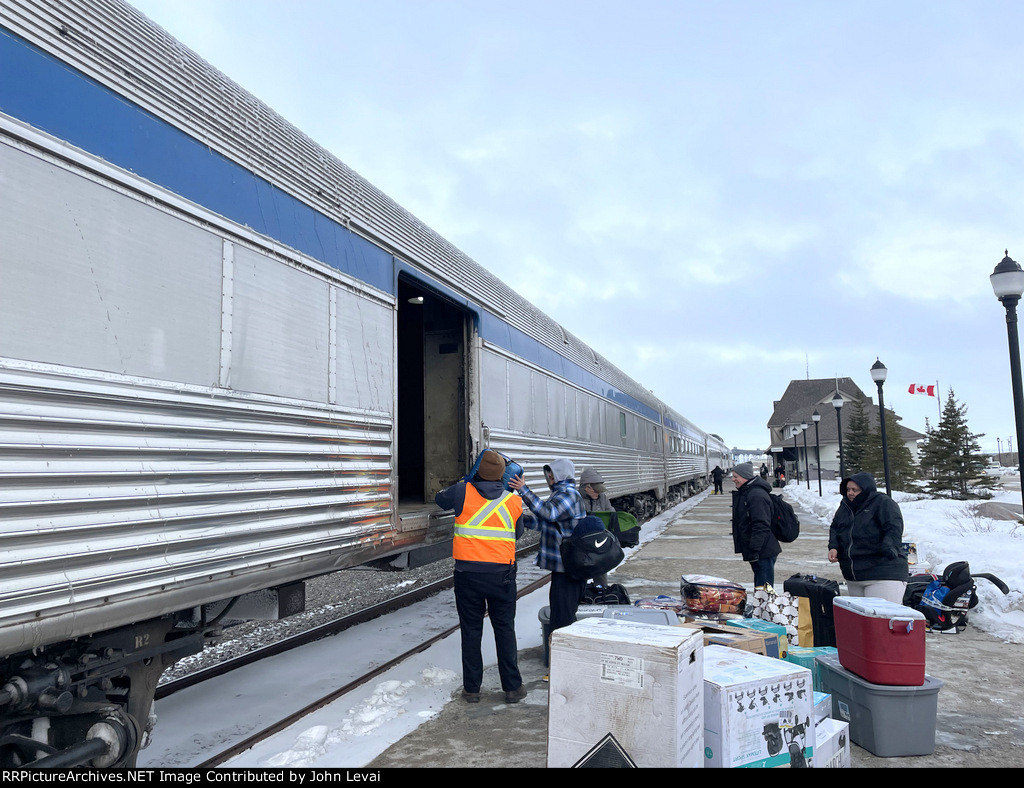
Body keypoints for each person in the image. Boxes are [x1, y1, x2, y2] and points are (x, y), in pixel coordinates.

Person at [435, 450, 527, 704]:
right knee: (505, 630)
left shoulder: (462, 491)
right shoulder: (513, 502)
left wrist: (465, 480)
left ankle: (472, 690)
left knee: (471, 630)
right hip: (502, 576)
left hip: (468, 575)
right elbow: (515, 534)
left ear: (478, 471)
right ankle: (512, 688)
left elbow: (439, 500)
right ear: (503, 475)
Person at [508, 458, 587, 634]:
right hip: (563, 570)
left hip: (569, 571)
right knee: (559, 615)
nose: (549, 476)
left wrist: (524, 490)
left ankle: (563, 655)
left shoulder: (569, 494)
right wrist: (520, 518)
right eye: (548, 473)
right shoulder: (560, 494)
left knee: (563, 620)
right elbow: (547, 524)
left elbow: (549, 514)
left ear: (561, 474)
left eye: (552, 472)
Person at [828, 472, 908, 604]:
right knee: (862, 621)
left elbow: (893, 527)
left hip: (883, 574)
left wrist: (889, 547)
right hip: (854, 576)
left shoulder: (882, 502)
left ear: (866, 489)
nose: (850, 493)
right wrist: (834, 546)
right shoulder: (845, 506)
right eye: (848, 489)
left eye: (855, 490)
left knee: (881, 619)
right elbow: (836, 527)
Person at [730, 461, 781, 587]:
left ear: (744, 476)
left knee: (764, 588)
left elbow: (761, 524)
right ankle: (763, 606)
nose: (733, 479)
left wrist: (754, 549)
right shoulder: (748, 492)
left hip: (763, 550)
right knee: (761, 587)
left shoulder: (756, 495)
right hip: (760, 549)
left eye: (736, 476)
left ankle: (766, 607)